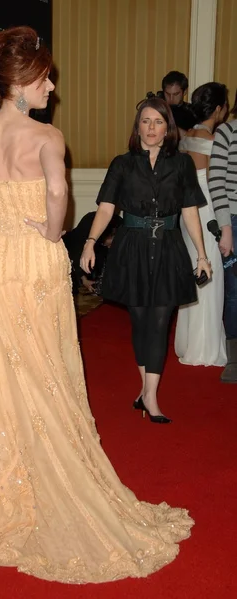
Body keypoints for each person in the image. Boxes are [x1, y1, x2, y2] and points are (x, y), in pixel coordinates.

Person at [0, 26, 194, 584]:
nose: (52, 86)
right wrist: (50, 230)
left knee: (0, 378)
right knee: (45, 372)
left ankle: (2, 492)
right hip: (33, 257)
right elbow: (58, 201)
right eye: (45, 77)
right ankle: (50, 476)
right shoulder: (47, 138)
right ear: (23, 82)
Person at [80, 96, 211, 424]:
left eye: (158, 122)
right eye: (145, 121)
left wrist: (202, 254)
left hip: (168, 248)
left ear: (168, 128)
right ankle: (145, 389)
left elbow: (190, 210)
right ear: (137, 126)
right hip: (132, 248)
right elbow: (107, 207)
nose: (152, 128)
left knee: (158, 322)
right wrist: (90, 242)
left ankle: (150, 396)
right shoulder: (122, 164)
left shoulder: (181, 165)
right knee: (140, 322)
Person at [175, 82, 229, 367]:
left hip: (188, 208)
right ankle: (205, 348)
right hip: (208, 206)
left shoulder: (186, 138)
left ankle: (188, 341)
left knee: (193, 270)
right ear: (219, 108)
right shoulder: (214, 140)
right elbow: (219, 180)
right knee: (210, 272)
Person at [209, 90, 237, 382]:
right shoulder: (227, 131)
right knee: (234, 291)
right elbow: (216, 181)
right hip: (235, 222)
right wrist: (225, 228)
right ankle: (235, 358)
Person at [62, 212, 122, 296]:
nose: (109, 247)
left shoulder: (119, 227)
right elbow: (76, 254)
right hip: (69, 252)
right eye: (110, 243)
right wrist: (84, 280)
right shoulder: (83, 233)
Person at [158, 71, 197, 137]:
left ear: (184, 92)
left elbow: (195, 140)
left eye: (176, 94)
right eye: (167, 94)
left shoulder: (192, 112)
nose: (171, 99)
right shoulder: (158, 110)